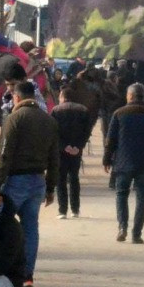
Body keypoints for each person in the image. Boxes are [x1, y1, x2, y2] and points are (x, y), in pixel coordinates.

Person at [0, 79, 60, 287]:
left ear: (16, 97)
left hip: (16, 180)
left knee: (3, 224)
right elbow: (54, 158)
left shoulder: (14, 119)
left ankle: (4, 269)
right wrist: (51, 187)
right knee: (30, 228)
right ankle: (27, 274)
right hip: (38, 181)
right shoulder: (49, 121)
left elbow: (5, 155)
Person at [104, 82, 144, 243]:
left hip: (123, 162)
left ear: (130, 96)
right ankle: (137, 234)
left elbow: (110, 140)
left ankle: (122, 227)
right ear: (143, 97)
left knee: (121, 195)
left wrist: (107, 159)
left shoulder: (119, 113)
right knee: (142, 199)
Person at [51, 86, 95, 219]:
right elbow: (87, 130)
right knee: (74, 178)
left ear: (62, 97)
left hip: (61, 151)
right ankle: (75, 209)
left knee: (61, 179)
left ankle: (62, 210)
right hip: (77, 151)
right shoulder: (83, 110)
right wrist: (79, 146)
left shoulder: (56, 110)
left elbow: (53, 131)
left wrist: (64, 146)